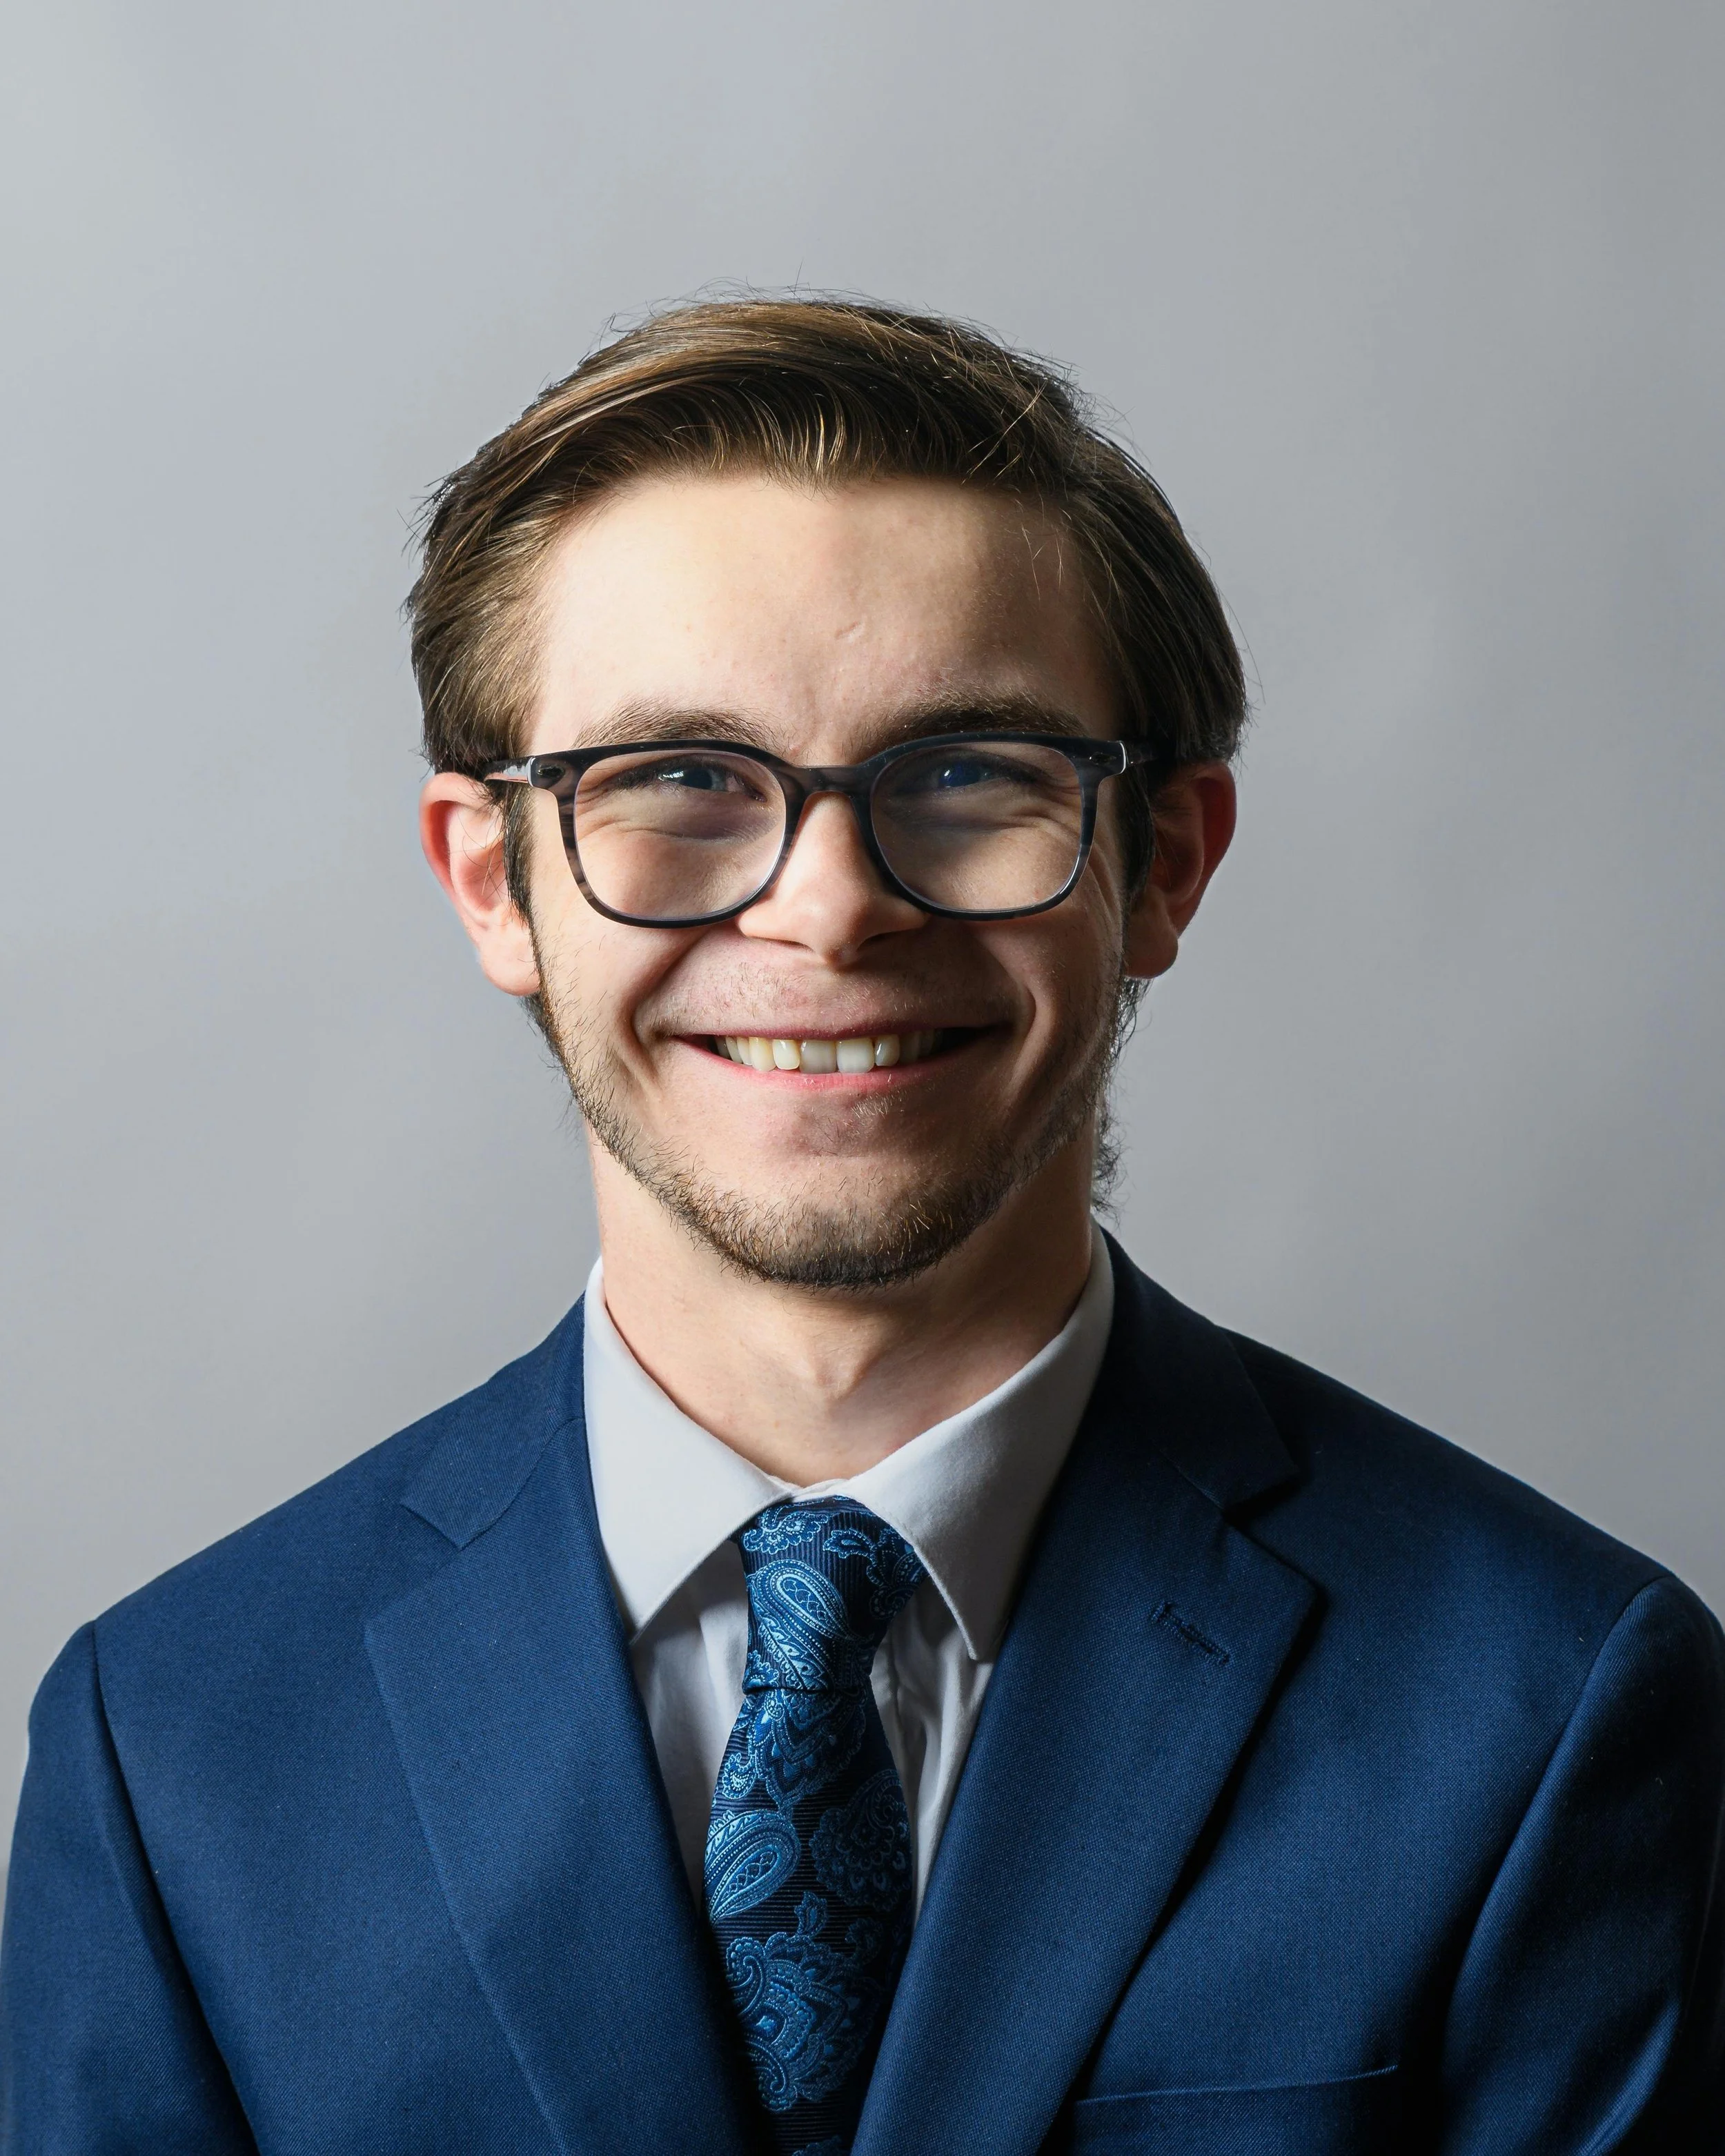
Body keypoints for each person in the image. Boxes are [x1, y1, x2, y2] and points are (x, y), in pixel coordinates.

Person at [2, 298, 1721, 2155]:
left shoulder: (1551, 1699)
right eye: (672, 780)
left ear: (1164, 864)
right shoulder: (178, 1739)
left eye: (969, 774)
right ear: (495, 883)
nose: (828, 911)